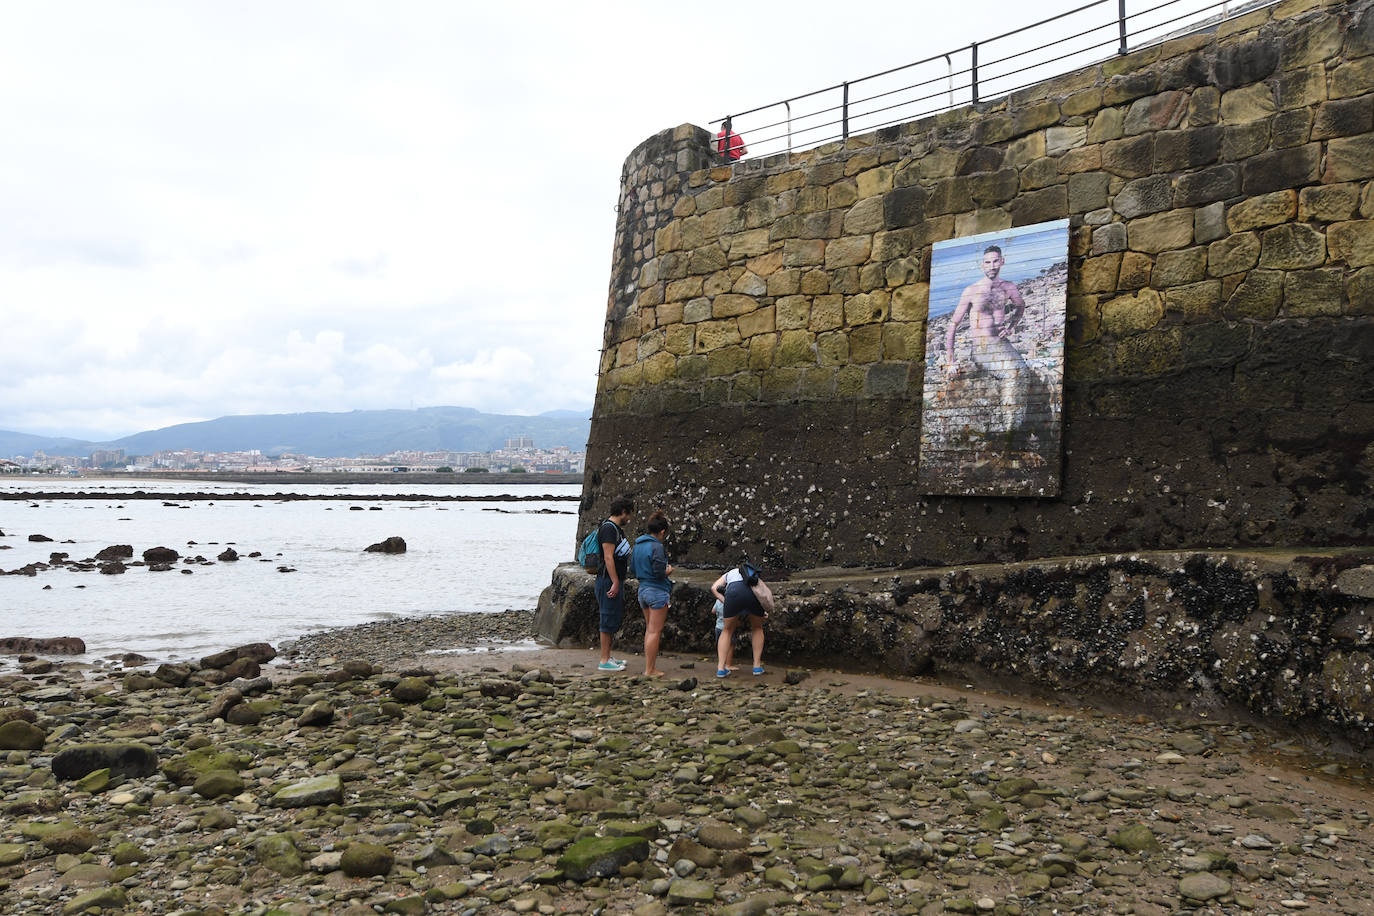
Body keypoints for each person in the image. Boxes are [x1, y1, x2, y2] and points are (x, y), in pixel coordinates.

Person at [944, 244, 1030, 430]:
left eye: (995, 261)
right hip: (982, 348)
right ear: (982, 265)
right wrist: (950, 360)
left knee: (1022, 372)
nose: (991, 266)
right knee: (1013, 373)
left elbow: (1020, 306)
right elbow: (953, 325)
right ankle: (1009, 431)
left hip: (1002, 344)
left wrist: (1011, 327)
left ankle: (1012, 427)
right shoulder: (971, 291)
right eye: (987, 262)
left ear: (1002, 262)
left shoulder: (1008, 287)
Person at [630, 511, 674, 677]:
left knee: (649, 630)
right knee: (655, 631)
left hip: (642, 590)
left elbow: (633, 569)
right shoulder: (657, 546)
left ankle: (649, 667)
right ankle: (650, 669)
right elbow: (658, 572)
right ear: (662, 531)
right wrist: (667, 571)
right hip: (657, 591)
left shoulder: (638, 545)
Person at [594, 496, 635, 671]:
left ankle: (608, 656)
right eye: (629, 514)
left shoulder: (616, 529)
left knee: (612, 619)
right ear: (623, 512)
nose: (630, 519)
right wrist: (615, 581)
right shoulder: (609, 530)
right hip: (607, 581)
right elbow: (608, 557)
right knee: (607, 618)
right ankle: (604, 660)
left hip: (611, 580)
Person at [712, 562, 773, 678]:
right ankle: (757, 667)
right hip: (752, 595)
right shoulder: (753, 574)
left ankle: (721, 669)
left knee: (727, 631)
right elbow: (762, 594)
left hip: (733, 594)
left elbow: (713, 588)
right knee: (757, 628)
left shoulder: (729, 574)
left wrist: (726, 603)